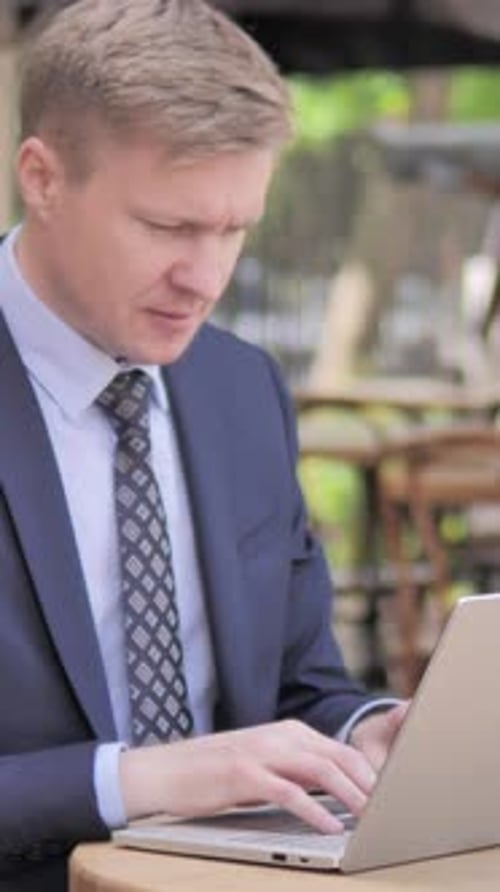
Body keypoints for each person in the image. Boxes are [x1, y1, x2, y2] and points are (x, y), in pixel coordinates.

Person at [0, 0, 407, 888]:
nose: (206, 278)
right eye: (169, 227)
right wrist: (130, 780)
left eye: (235, 230)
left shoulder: (241, 388)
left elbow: (300, 684)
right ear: (43, 176)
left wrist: (363, 728)